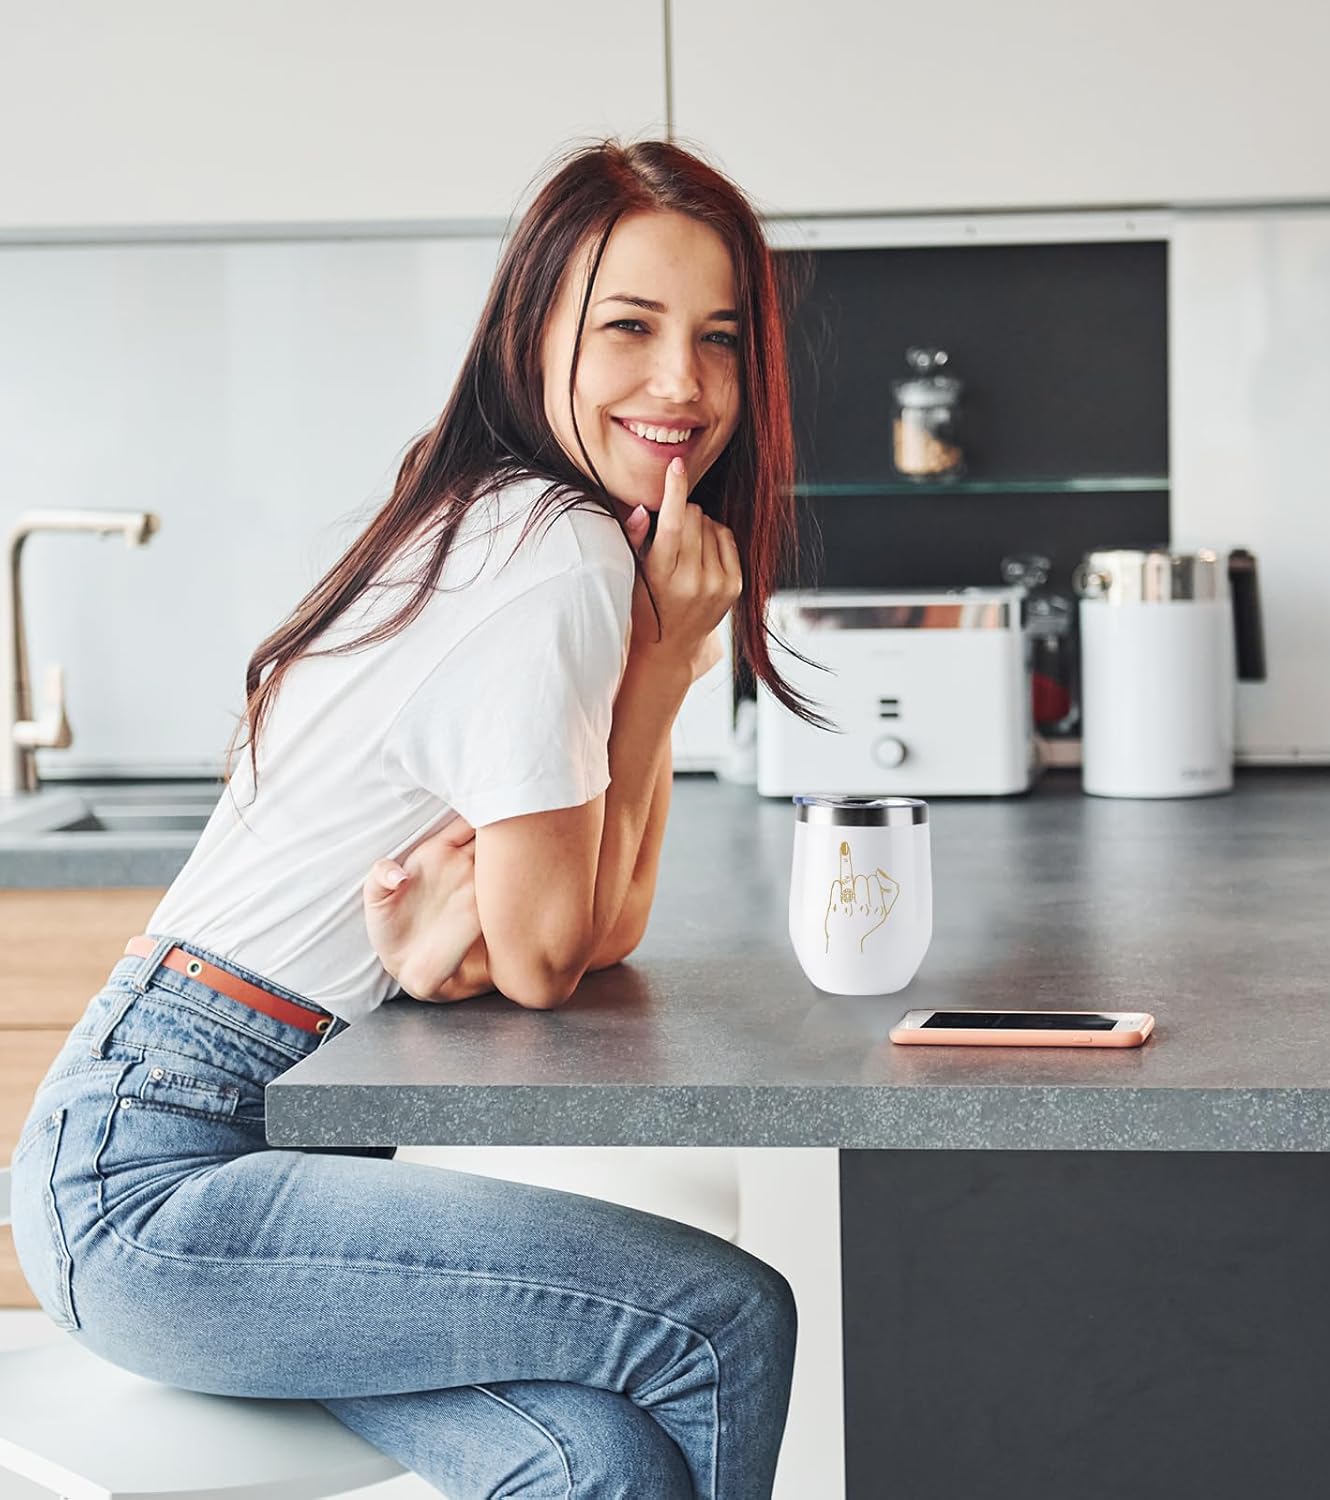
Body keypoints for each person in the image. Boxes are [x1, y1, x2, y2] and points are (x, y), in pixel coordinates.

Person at [7, 137, 824, 1500]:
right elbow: (553, 958)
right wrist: (667, 664)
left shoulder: (501, 520)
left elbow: (593, 932)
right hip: (164, 1177)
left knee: (602, 1463)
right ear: (532, 330)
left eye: (720, 337)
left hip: (222, 1141)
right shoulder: (555, 554)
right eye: (629, 327)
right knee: (721, 1320)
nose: (683, 383)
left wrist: (650, 679)